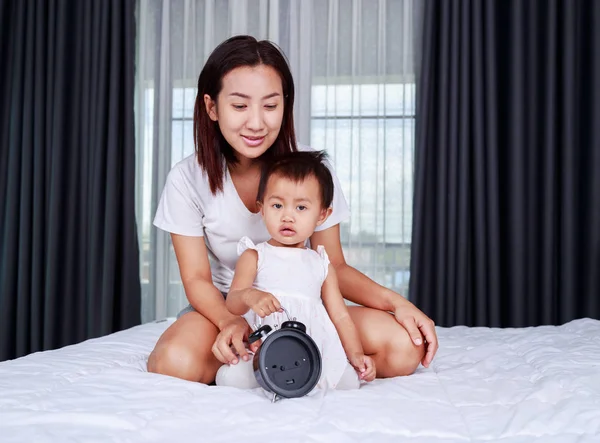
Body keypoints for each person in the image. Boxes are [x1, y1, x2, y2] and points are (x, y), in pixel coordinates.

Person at [148, 35, 438, 384]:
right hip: (227, 307)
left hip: (304, 303)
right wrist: (230, 321)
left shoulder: (312, 172)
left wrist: (397, 303)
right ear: (212, 107)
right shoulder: (186, 178)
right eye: (239, 106)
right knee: (173, 363)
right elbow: (196, 278)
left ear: (285, 105)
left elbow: (335, 265)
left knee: (405, 348)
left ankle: (283, 359)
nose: (256, 123)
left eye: (270, 106)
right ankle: (269, 362)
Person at [216, 151, 376, 391]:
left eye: (301, 207)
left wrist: (356, 354)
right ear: (262, 209)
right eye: (277, 205)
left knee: (348, 381)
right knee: (231, 378)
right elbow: (234, 302)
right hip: (265, 346)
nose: (287, 216)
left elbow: (341, 316)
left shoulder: (321, 264)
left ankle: (305, 376)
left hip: (309, 346)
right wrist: (250, 296)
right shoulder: (255, 255)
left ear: (322, 215)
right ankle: (270, 377)